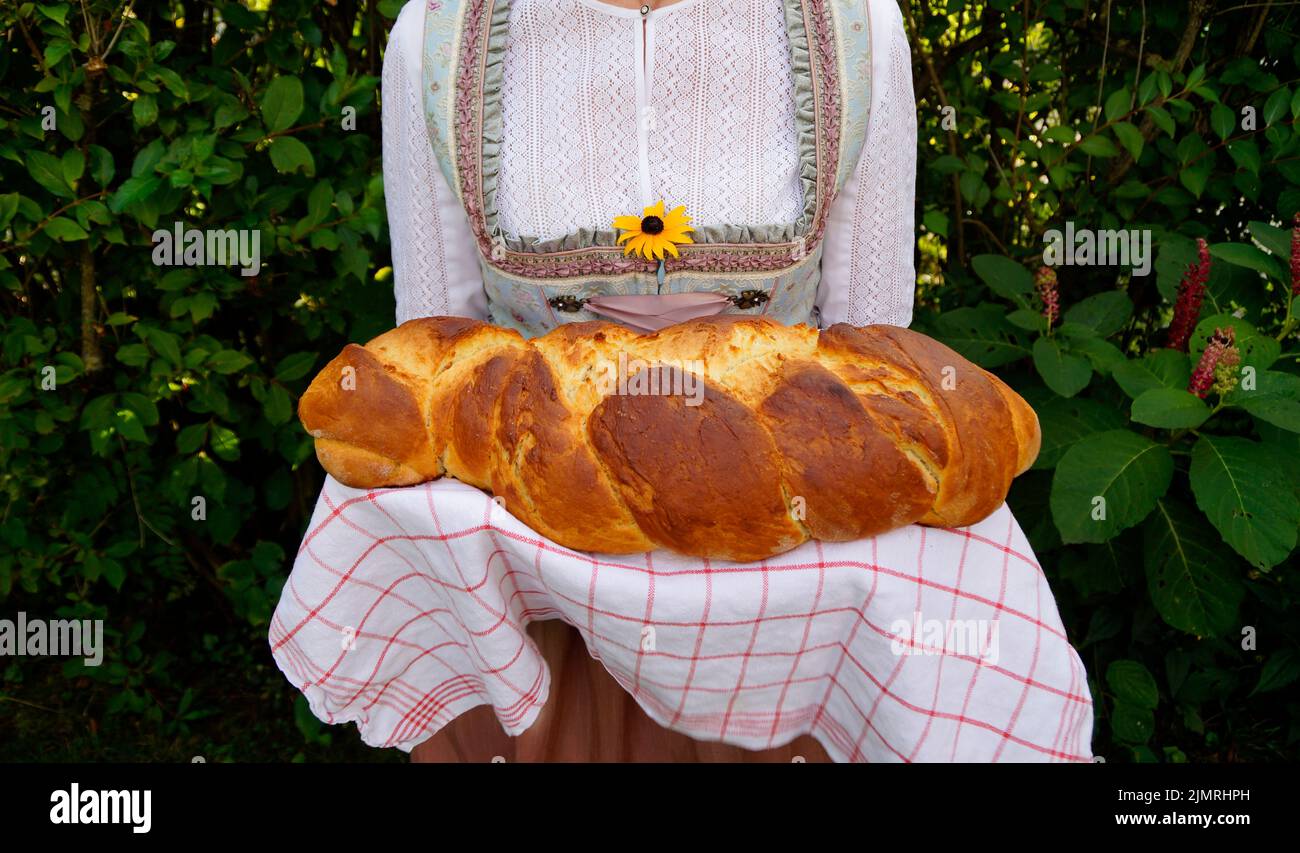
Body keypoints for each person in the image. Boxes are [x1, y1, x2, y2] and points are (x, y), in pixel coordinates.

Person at [268, 0, 1095, 762]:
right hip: (541, 628)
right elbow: (440, 375)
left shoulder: (857, 28)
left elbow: (871, 372)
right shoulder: (436, 40)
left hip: (791, 634)